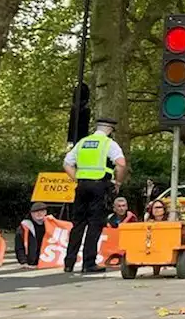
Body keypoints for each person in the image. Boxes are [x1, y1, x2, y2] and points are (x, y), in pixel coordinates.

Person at [62, 116, 127, 275]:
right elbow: (121, 164)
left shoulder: (82, 143)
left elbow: (67, 163)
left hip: (82, 186)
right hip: (100, 186)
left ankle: (69, 263)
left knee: (78, 224)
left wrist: (78, 178)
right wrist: (117, 183)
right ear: (110, 130)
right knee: (94, 224)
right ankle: (88, 263)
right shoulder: (109, 144)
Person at [15, 202, 51, 267]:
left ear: (46, 212)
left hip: (48, 261)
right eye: (36, 211)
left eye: (42, 211)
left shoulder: (52, 225)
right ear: (31, 214)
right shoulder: (24, 227)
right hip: (32, 261)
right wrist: (23, 262)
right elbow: (19, 246)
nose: (39, 213)